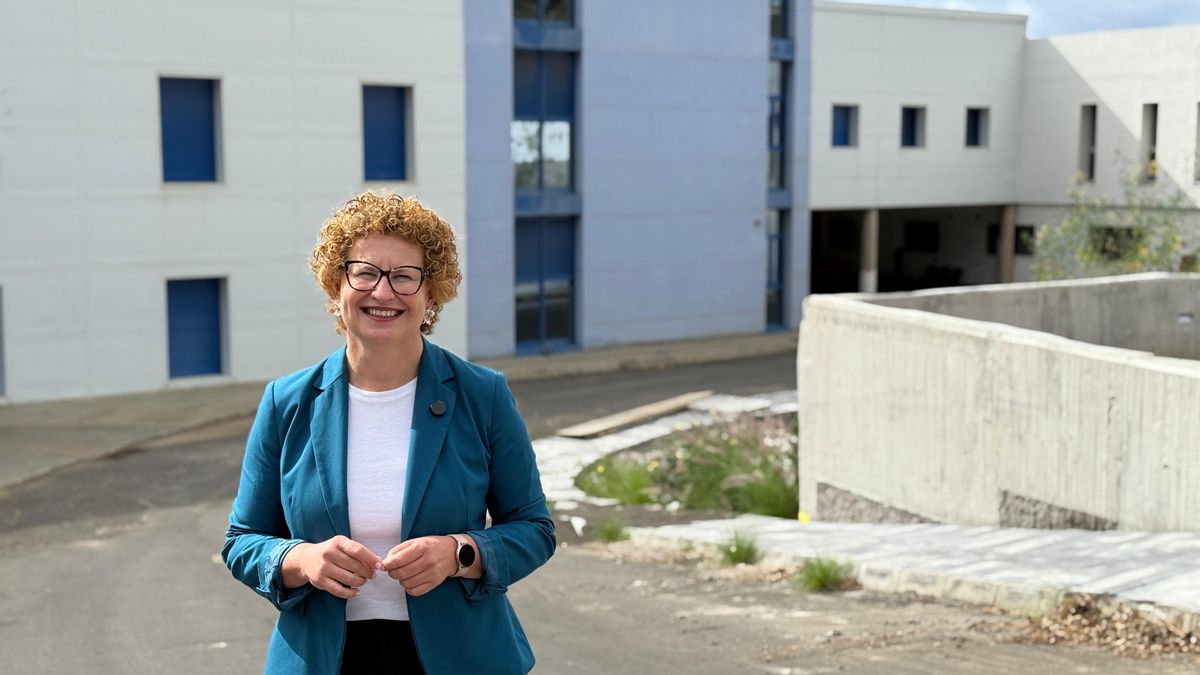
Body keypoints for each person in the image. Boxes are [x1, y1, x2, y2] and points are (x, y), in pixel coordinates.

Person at [223, 190, 555, 674]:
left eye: (404, 276)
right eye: (365, 272)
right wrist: (302, 559)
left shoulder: (482, 394)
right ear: (337, 283)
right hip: (324, 659)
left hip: (460, 656)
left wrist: (458, 553)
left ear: (431, 292)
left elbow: (534, 529)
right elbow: (243, 540)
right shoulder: (286, 401)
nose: (383, 292)